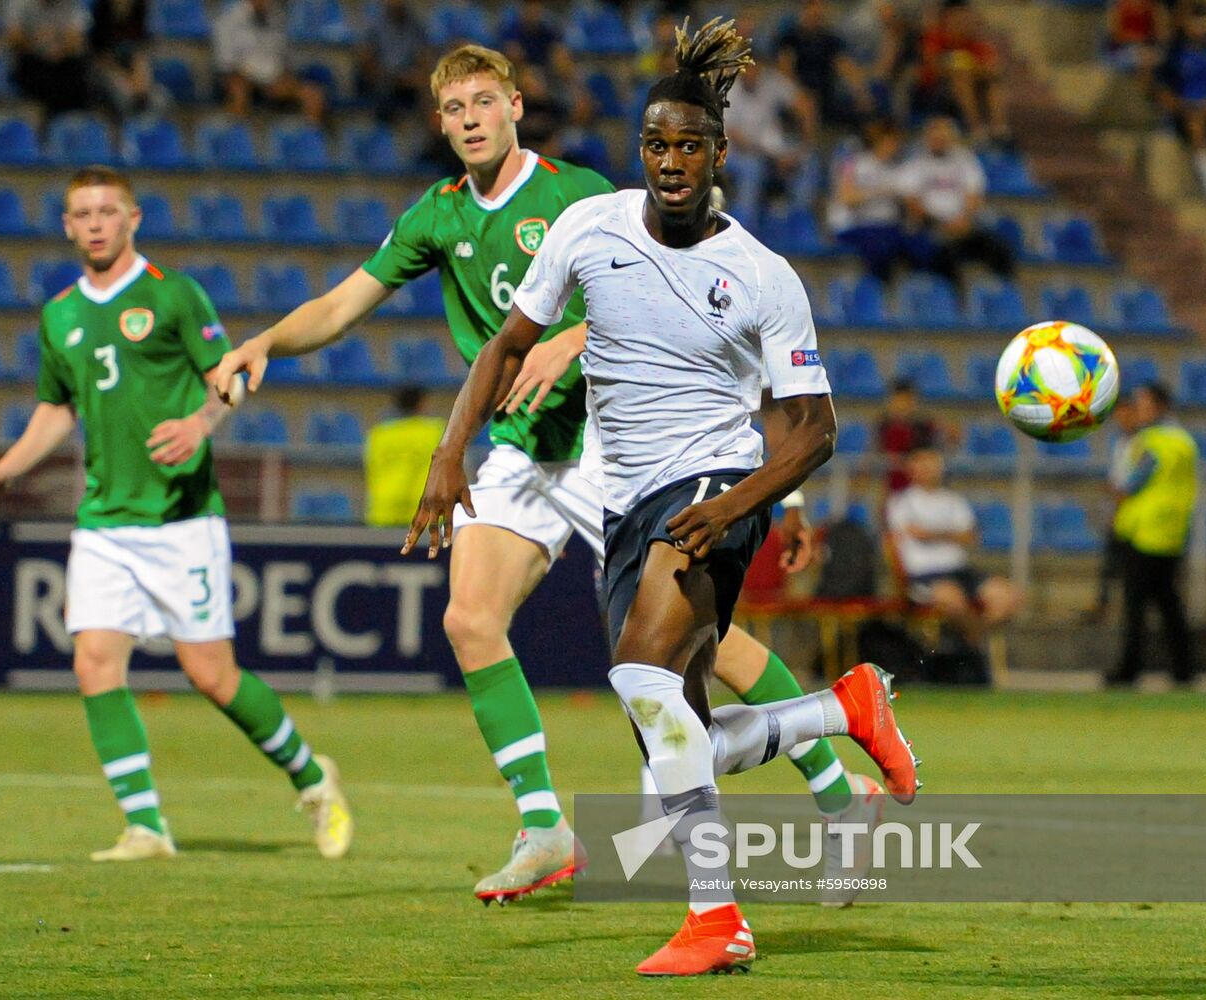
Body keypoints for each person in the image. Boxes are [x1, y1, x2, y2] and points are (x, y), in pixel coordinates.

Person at [212, 43, 886, 907]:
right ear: (440, 122)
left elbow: (676, 307)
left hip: (618, 443)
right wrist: (266, 342)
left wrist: (573, 336)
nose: (469, 120)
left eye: (482, 102)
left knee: (698, 651)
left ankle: (838, 794)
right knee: (468, 618)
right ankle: (543, 828)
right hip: (524, 448)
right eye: (454, 108)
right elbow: (344, 304)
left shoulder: (579, 195)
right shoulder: (436, 216)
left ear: (515, 107)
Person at [405, 19, 917, 975]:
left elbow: (813, 430)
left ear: (719, 155)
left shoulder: (761, 274)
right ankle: (840, 712)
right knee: (671, 743)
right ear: (639, 151)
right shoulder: (589, 227)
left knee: (644, 679)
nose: (671, 161)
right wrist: (449, 451)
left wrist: (744, 507)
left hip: (715, 486)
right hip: (627, 498)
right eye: (655, 145)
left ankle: (717, 922)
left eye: (689, 146)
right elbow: (508, 344)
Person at [0, 166, 351, 862]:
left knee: (211, 677)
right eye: (83, 214)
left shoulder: (173, 294)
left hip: (182, 519)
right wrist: (4, 468)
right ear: (67, 226)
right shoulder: (59, 315)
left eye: (108, 211)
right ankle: (145, 826)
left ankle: (312, 777)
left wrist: (201, 423)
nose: (96, 224)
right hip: (105, 519)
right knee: (93, 662)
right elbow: (56, 410)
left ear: (133, 218)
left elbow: (227, 379)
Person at [1106, 382, 1199, 687]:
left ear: (1159, 406)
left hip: (1143, 531)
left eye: (1143, 404)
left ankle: (1129, 669)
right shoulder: (1184, 441)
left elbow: (1130, 483)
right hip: (1172, 532)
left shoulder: (1150, 442)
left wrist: (1116, 493)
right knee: (1168, 602)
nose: (1137, 409)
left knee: (1136, 605)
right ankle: (1184, 668)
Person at [885, 447, 1020, 647]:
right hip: (925, 574)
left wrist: (933, 533)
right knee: (951, 598)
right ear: (910, 468)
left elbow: (970, 536)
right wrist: (951, 534)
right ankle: (974, 640)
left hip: (959, 570)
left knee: (1009, 596)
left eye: (931, 463)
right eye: (921, 463)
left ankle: (974, 635)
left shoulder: (954, 500)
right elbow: (916, 533)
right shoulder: (901, 502)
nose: (927, 469)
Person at [899, 115, 1016, 288]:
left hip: (963, 224)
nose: (939, 142)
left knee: (1000, 247)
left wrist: (964, 219)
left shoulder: (966, 160)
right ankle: (955, 298)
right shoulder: (915, 163)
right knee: (943, 255)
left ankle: (1004, 293)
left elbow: (974, 195)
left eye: (943, 138)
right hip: (929, 227)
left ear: (952, 139)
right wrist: (942, 224)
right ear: (927, 139)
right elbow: (912, 203)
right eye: (935, 138)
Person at [722, 58, 816, 224]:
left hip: (771, 149)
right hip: (735, 154)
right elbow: (734, 136)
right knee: (753, 168)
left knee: (808, 161)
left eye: (754, 68)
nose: (751, 73)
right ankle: (745, 225)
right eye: (746, 69)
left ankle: (799, 221)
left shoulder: (770, 82)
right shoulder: (729, 89)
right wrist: (773, 158)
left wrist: (803, 144)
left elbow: (805, 103)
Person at [212, 0, 326, 126]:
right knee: (238, 90)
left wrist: (283, 76)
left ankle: (308, 134)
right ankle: (237, 133)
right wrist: (255, 77)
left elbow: (286, 57)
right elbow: (226, 63)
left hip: (274, 78)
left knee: (313, 95)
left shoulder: (279, 18)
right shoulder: (228, 20)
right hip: (243, 77)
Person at [827, 119, 915, 282]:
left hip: (889, 226)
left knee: (916, 244)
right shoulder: (853, 163)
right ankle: (876, 286)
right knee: (879, 245)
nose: (894, 146)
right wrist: (878, 191)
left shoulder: (898, 168)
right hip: (858, 224)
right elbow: (846, 197)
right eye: (890, 141)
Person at [917, 0, 1011, 144]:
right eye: (957, 19)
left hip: (971, 90)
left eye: (966, 19)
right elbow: (934, 65)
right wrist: (970, 69)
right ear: (947, 19)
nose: (962, 23)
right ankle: (976, 130)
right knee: (962, 76)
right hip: (932, 91)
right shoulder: (935, 36)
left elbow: (994, 69)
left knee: (993, 82)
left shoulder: (976, 43)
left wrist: (980, 70)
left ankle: (999, 130)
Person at [1156, 6, 1206, 202]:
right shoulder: (1174, 53)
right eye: (1196, 24)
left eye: (1204, 24)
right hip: (1186, 110)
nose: (1200, 29)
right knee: (1197, 119)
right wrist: (1179, 107)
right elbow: (1162, 88)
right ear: (1187, 25)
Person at [1082, 400, 1141, 623]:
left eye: (1127, 415)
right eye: (1119, 416)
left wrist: (1120, 494)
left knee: (1130, 564)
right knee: (1110, 561)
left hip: (1135, 512)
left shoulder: (1143, 443)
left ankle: (1123, 606)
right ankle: (1104, 604)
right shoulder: (1119, 442)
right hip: (1118, 510)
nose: (1122, 420)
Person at [364, 386, 446, 527]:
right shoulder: (437, 431)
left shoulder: (379, 434)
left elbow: (371, 469)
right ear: (422, 404)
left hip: (384, 509)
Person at [4, 0, 93, 117]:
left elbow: (75, 41)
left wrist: (55, 49)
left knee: (79, 71)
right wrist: (41, 47)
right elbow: (14, 38)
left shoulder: (70, 5)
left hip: (60, 61)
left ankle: (70, 118)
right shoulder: (19, 3)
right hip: (31, 63)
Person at [89, 0, 165, 119]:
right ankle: (130, 124)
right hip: (106, 67)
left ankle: (146, 122)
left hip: (133, 65)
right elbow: (98, 55)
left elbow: (143, 50)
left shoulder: (141, 10)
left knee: (160, 98)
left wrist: (138, 76)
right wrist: (124, 78)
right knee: (124, 94)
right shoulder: (100, 11)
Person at [876, 377, 941, 494]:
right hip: (890, 482)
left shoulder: (923, 426)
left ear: (912, 402)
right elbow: (877, 453)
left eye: (905, 400)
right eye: (898, 400)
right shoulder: (883, 425)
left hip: (917, 484)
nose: (901, 405)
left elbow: (928, 455)